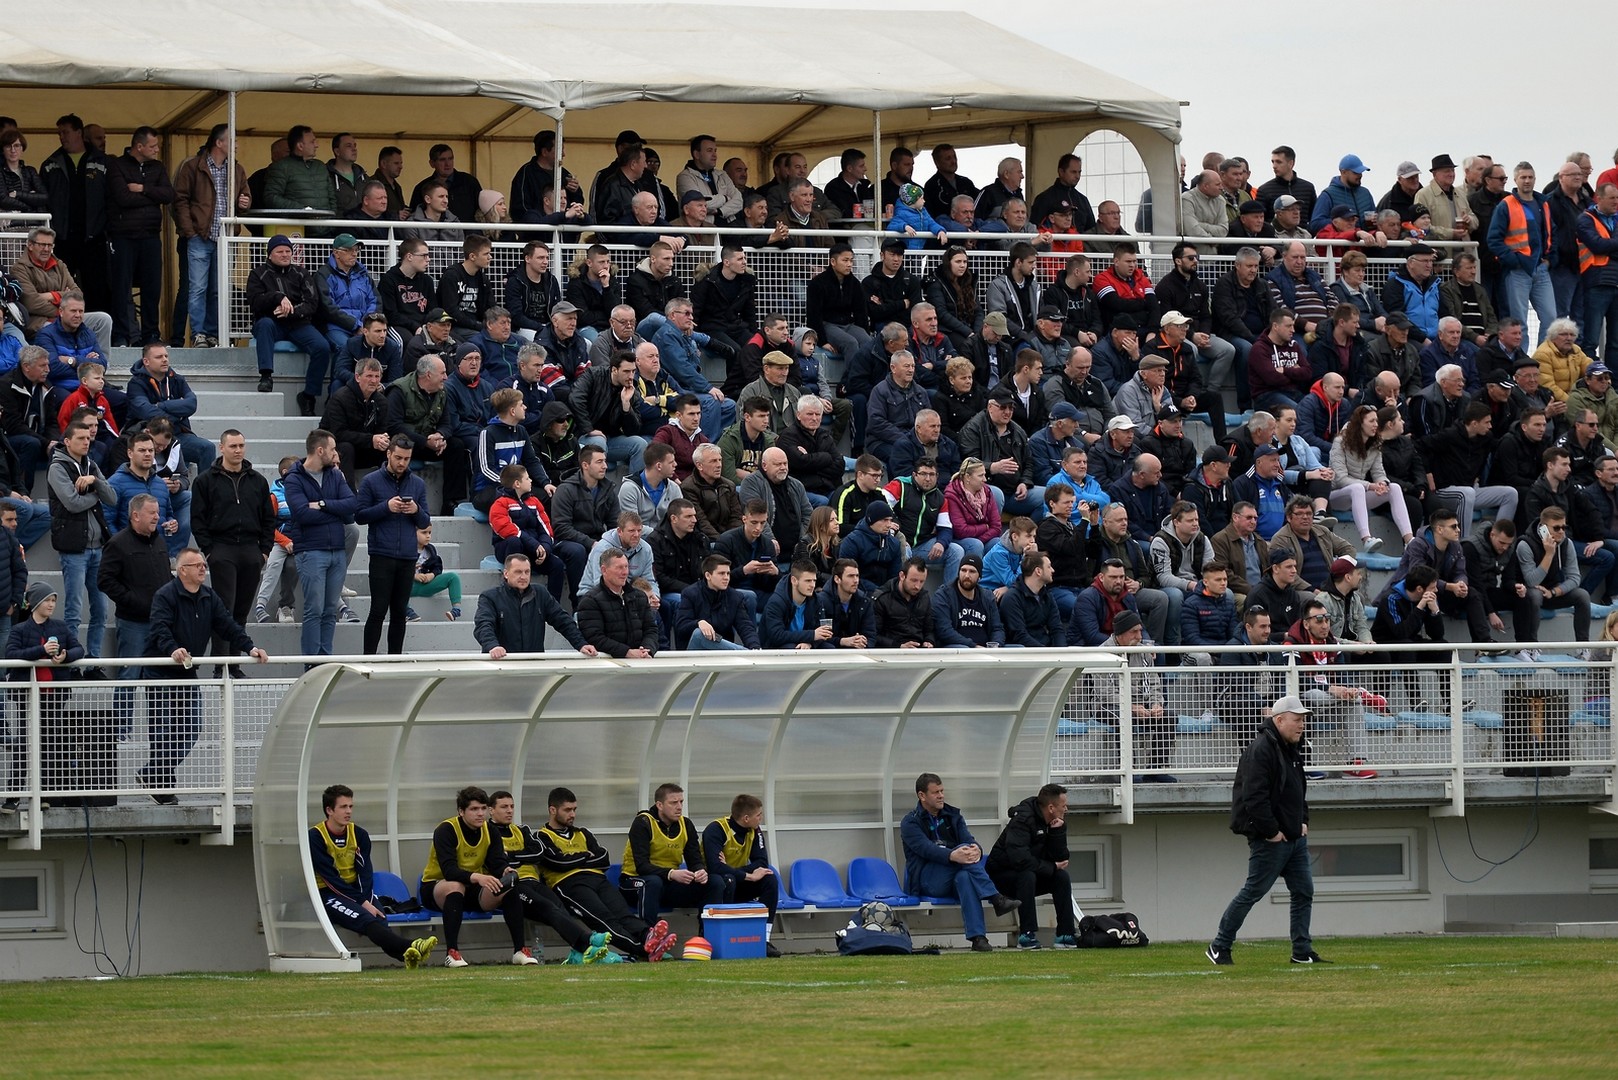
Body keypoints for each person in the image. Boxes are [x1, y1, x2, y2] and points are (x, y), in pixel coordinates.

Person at [1206, 695, 1327, 967]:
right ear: (1279, 720)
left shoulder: (1289, 747)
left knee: (1304, 891)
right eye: (1297, 720)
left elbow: (1299, 790)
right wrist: (1272, 832)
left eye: (1304, 720)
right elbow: (1254, 797)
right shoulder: (1261, 749)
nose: (1302, 725)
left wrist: (1303, 821)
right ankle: (1219, 945)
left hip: (1294, 837)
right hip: (1272, 839)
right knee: (1252, 892)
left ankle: (1302, 950)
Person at [144, 548, 268, 802]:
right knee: (162, 732)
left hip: (187, 673)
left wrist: (250, 647)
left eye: (203, 564)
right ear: (182, 570)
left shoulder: (209, 597)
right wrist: (172, 649)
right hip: (160, 673)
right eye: (197, 564)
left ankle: (153, 773)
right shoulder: (165, 595)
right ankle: (162, 784)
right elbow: (159, 627)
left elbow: (228, 625)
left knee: (191, 728)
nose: (203, 568)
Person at [532, 787, 678, 962]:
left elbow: (603, 859)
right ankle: (645, 951)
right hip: (570, 884)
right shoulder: (541, 836)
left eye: (574, 809)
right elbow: (559, 863)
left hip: (598, 879)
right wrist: (586, 855)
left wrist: (574, 859)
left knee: (624, 915)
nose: (572, 814)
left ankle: (649, 935)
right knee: (606, 921)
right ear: (552, 810)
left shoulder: (583, 833)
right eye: (567, 810)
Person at [484, 790, 620, 965]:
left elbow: (538, 853)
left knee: (559, 907)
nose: (509, 810)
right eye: (504, 807)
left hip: (533, 882)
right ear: (491, 810)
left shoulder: (522, 830)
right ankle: (587, 943)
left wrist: (511, 855)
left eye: (512, 806)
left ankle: (578, 954)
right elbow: (495, 860)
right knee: (547, 907)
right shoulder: (487, 832)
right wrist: (518, 856)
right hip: (513, 886)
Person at [309, 784, 437, 968]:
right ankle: (411, 946)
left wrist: (365, 899)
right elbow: (331, 879)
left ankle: (407, 956)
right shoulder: (316, 837)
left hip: (357, 892)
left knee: (379, 919)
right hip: (328, 894)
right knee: (367, 919)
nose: (348, 811)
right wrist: (361, 903)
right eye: (343, 807)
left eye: (351, 806)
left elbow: (365, 873)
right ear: (329, 810)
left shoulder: (359, 834)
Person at [900, 773, 1021, 953]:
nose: (941, 795)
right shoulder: (910, 822)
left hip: (956, 875)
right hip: (928, 880)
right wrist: (952, 855)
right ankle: (996, 898)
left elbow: (969, 840)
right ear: (922, 796)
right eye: (935, 792)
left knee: (965, 877)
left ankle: (978, 939)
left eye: (942, 791)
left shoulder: (953, 815)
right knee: (962, 858)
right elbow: (925, 849)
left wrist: (977, 850)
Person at [418, 786, 530, 969]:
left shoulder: (490, 830)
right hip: (437, 888)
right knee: (455, 886)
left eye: (483, 808)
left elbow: (496, 862)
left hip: (471, 889)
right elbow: (449, 871)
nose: (480, 814)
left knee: (509, 888)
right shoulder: (446, 830)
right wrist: (478, 877)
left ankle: (520, 951)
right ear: (461, 811)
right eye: (474, 809)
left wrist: (505, 870)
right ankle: (452, 953)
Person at [191, 429, 274, 669]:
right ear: (222, 447)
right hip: (222, 549)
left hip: (251, 550)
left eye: (241, 446)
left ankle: (234, 664)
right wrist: (208, 550)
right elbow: (198, 518)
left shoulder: (257, 480)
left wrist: (264, 551)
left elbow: (268, 518)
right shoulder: (205, 480)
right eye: (233, 446)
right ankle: (220, 665)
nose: (238, 450)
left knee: (241, 611)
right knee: (223, 608)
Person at [47, 417, 115, 665]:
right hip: (74, 548)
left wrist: (95, 482)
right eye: (81, 438)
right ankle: (74, 660)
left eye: (89, 438)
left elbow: (113, 497)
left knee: (101, 610)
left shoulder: (91, 466)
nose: (87, 442)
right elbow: (72, 503)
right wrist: (96, 496)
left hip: (98, 548)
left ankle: (94, 660)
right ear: (67, 441)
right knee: (74, 610)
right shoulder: (57, 468)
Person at [356, 436, 429, 655]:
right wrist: (386, 507)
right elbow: (359, 516)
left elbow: (425, 521)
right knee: (378, 610)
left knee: (399, 613)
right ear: (388, 454)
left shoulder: (417, 483)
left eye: (406, 458)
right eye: (398, 457)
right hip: (381, 554)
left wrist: (415, 510)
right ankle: (369, 659)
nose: (402, 462)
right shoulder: (371, 481)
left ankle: (394, 660)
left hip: (407, 556)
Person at [984, 784, 1077, 951]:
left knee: (1061, 877)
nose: (1066, 809)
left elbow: (1061, 858)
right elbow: (1020, 860)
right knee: (1027, 875)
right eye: (1063, 806)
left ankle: (1065, 935)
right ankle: (1027, 934)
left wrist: (1058, 832)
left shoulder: (1055, 822)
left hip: (1029, 873)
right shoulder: (1022, 820)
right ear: (1051, 807)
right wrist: (1051, 867)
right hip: (1000, 878)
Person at [620, 782, 724, 922]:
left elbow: (694, 860)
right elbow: (642, 866)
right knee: (653, 882)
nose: (679, 807)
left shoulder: (686, 824)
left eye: (681, 802)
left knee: (715, 882)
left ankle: (708, 934)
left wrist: (700, 872)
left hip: (668, 884)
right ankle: (647, 935)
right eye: (673, 803)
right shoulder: (643, 823)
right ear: (660, 805)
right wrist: (671, 873)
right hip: (634, 882)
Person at [246, 235, 331, 407]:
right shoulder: (258, 274)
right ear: (270, 254)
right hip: (271, 321)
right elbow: (255, 302)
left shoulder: (302, 273)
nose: (285, 255)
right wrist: (278, 297)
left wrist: (290, 311)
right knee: (264, 325)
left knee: (322, 347)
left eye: (288, 251)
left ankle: (309, 395)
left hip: (298, 323)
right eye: (279, 251)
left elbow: (312, 304)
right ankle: (266, 376)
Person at [701, 794, 782, 956]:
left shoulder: (754, 830)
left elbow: (761, 862)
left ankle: (763, 939)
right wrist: (747, 875)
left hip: (737, 880)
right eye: (758, 815)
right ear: (746, 818)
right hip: (715, 886)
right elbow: (715, 867)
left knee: (770, 878)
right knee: (726, 879)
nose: (761, 818)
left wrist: (732, 869)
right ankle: (725, 938)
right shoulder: (716, 829)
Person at [1512, 506, 1593, 656]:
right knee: (1535, 595)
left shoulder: (1566, 543)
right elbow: (1531, 580)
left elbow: (1575, 578)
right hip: (1525, 593)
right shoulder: (1525, 544)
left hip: (1551, 592)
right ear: (1543, 528)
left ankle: (1583, 647)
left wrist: (1554, 592)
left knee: (1582, 595)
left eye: (1564, 527)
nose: (1562, 531)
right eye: (1556, 528)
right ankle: (1530, 647)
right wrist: (1549, 554)